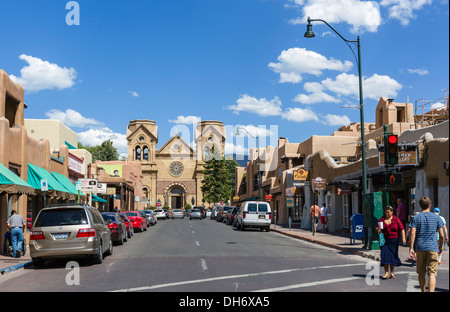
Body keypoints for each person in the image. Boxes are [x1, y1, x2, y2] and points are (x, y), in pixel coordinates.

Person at [409, 196, 445, 292]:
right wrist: (440, 247)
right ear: (430, 205)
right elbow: (442, 235)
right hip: (433, 248)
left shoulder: (416, 218)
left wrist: (411, 248)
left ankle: (423, 291)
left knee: (421, 273)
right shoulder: (437, 218)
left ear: (420, 206)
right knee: (432, 274)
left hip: (420, 248)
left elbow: (413, 233)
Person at [376, 206, 406, 280]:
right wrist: (378, 229)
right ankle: (386, 273)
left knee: (392, 256)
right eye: (386, 212)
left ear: (392, 212)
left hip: (394, 241)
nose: (387, 213)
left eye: (388, 212)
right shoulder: (382, 219)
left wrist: (403, 238)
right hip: (385, 241)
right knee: (385, 255)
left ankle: (392, 272)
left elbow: (402, 229)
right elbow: (377, 227)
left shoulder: (396, 220)